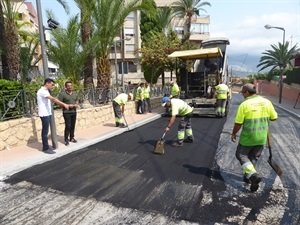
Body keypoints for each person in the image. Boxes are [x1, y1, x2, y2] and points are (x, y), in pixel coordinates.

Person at [231, 83, 278, 192]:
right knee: (253, 158)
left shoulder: (245, 104)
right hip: (261, 138)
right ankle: (249, 178)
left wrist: (233, 133)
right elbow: (274, 118)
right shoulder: (267, 102)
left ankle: (252, 175)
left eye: (243, 93)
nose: (242, 95)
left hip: (248, 138)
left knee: (241, 155)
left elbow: (238, 123)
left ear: (247, 92)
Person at [37, 78, 69, 154]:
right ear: (46, 84)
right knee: (45, 132)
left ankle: (46, 147)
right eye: (52, 85)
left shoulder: (46, 91)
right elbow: (53, 99)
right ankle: (45, 148)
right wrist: (63, 104)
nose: (52, 86)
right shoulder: (42, 91)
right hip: (44, 114)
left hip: (47, 113)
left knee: (46, 131)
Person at [58, 81, 79, 146]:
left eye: (71, 85)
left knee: (73, 125)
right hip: (66, 112)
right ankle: (66, 139)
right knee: (68, 126)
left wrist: (76, 104)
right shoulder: (62, 94)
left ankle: (72, 137)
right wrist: (67, 105)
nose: (70, 87)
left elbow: (77, 100)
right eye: (68, 86)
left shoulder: (75, 93)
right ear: (66, 87)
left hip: (74, 112)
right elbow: (59, 103)